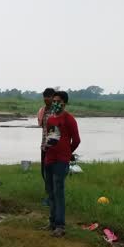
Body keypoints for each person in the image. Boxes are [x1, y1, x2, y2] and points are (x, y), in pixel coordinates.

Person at [43, 91, 80, 237]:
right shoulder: (51, 119)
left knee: (59, 192)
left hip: (61, 161)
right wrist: (46, 147)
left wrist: (67, 153)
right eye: (54, 100)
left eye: (58, 101)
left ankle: (60, 225)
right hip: (49, 159)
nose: (56, 103)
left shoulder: (70, 119)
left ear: (65, 103)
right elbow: (51, 138)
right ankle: (52, 222)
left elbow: (76, 140)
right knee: (50, 192)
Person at [37, 88, 55, 202]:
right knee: (44, 171)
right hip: (44, 146)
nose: (46, 98)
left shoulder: (56, 112)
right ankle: (49, 194)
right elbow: (42, 126)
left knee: (52, 172)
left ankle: (52, 197)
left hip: (54, 147)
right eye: (45, 96)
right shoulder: (42, 111)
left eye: (49, 96)